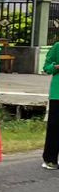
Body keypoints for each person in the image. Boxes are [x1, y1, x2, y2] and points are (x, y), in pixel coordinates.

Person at [43, 36, 59, 170]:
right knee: (55, 127)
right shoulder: (57, 46)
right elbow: (46, 67)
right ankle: (50, 159)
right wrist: (56, 66)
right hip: (57, 94)